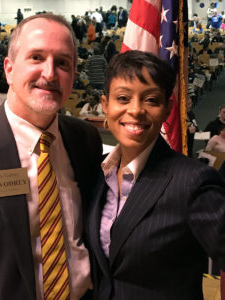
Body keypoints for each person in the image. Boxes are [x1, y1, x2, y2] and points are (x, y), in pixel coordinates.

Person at [0, 13, 102, 300]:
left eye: (62, 63)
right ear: (9, 69)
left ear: (74, 75)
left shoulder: (85, 139)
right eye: (36, 57)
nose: (50, 73)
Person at [85, 50, 225, 300]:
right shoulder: (96, 173)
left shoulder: (192, 181)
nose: (136, 110)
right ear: (106, 105)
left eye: (151, 100)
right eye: (123, 98)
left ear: (167, 107)